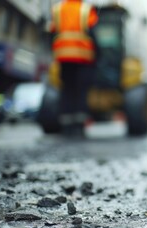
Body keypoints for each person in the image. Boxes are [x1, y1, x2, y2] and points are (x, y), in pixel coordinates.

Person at [50, 0, 99, 137]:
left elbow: (53, 31)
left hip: (63, 56)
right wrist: (97, 54)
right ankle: (78, 126)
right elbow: (92, 32)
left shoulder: (58, 9)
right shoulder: (86, 9)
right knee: (80, 91)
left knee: (67, 90)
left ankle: (67, 125)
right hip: (82, 57)